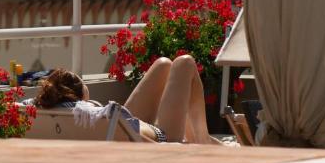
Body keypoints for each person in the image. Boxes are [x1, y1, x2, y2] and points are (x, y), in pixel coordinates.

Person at [30, 55, 221, 145]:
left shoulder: (70, 113)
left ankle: (200, 137)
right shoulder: (91, 111)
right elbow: (146, 145)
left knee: (163, 64)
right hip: (160, 137)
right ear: (80, 94)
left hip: (124, 126)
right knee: (185, 63)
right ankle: (202, 140)